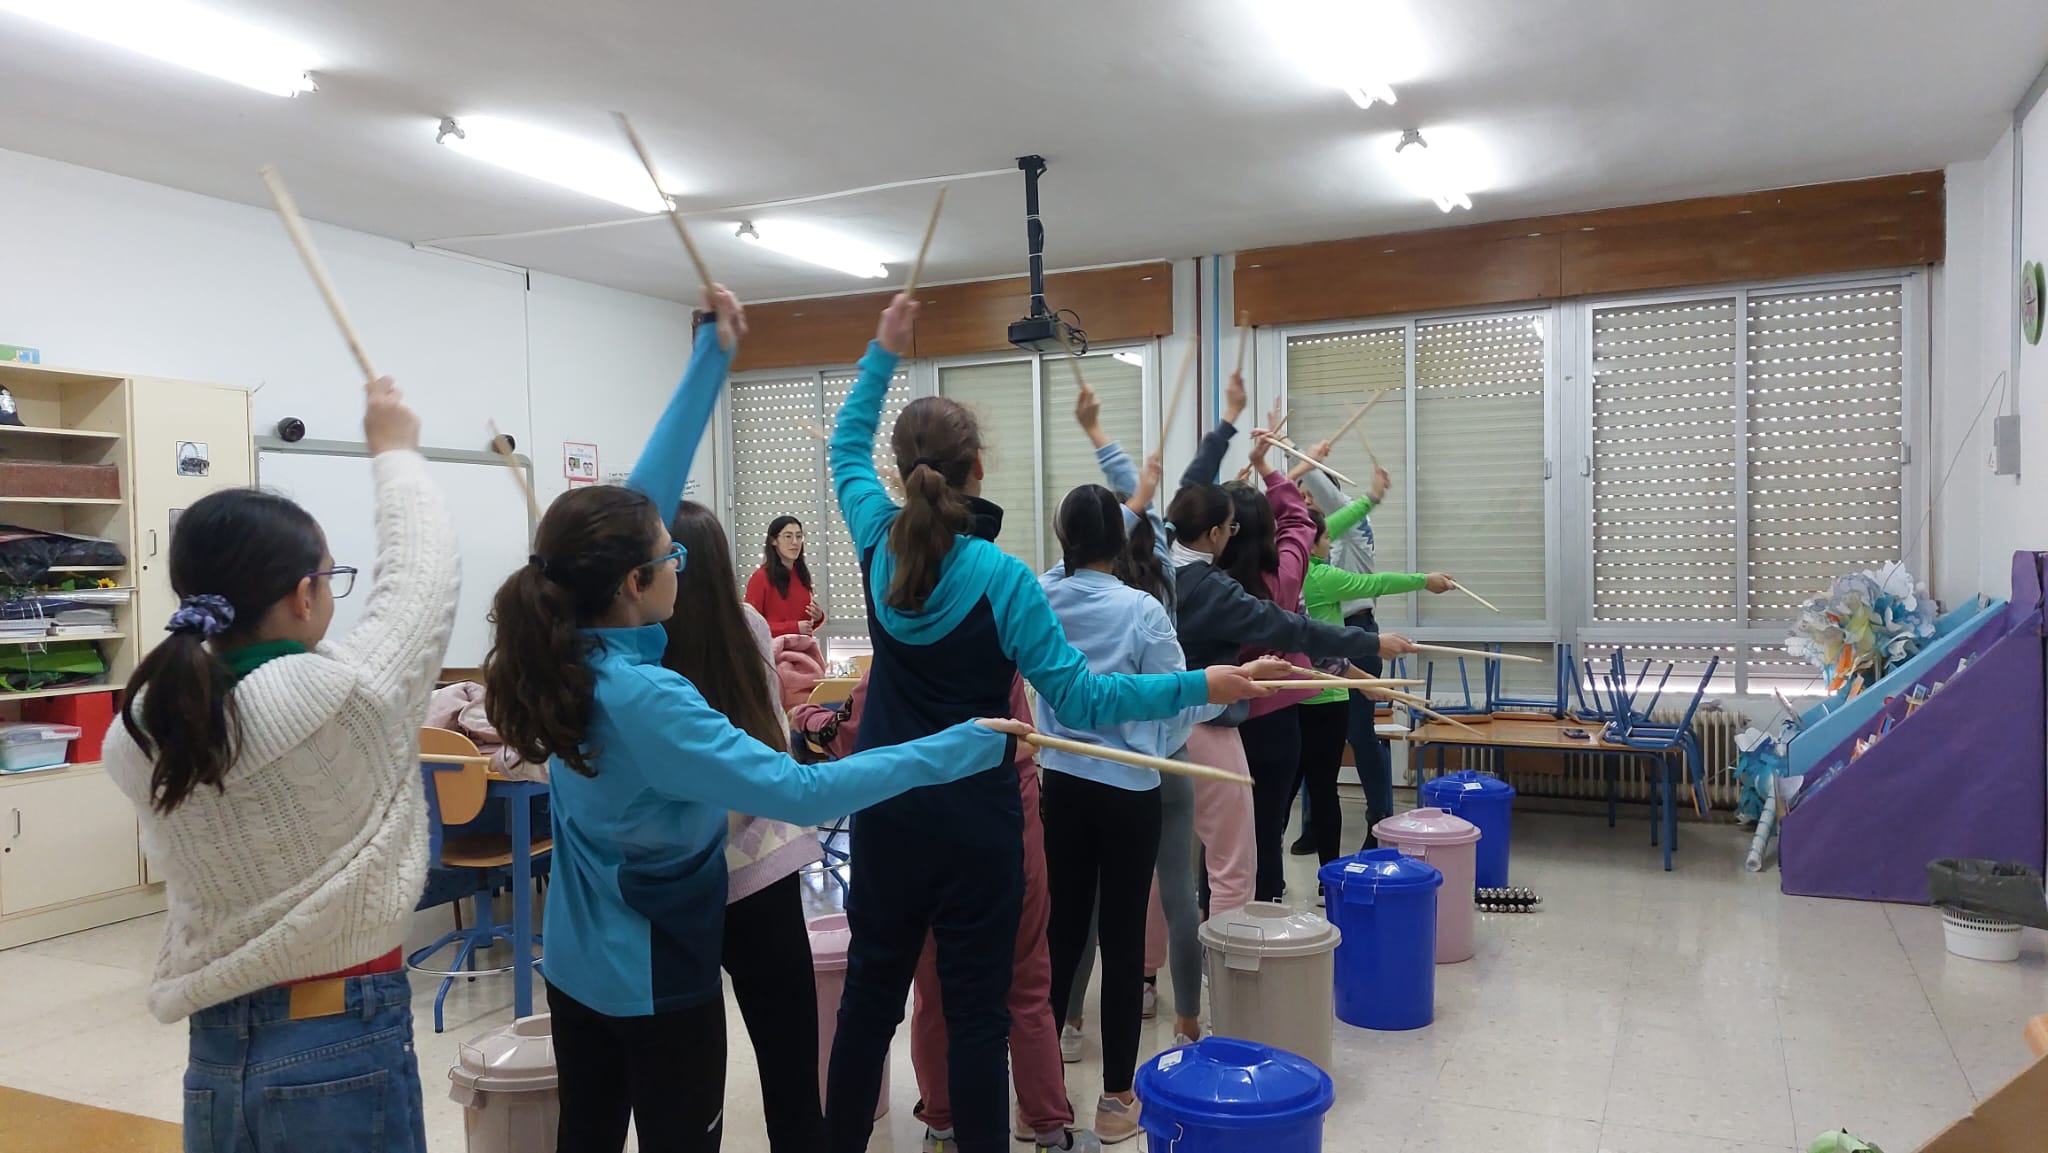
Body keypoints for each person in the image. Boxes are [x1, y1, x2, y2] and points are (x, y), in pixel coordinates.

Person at [483, 287, 1030, 1153]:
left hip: (578, 963)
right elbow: (800, 790)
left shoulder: (564, 642)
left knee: (585, 1134)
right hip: (654, 972)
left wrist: (713, 357)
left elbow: (640, 507)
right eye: (668, 556)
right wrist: (948, 748)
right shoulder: (646, 699)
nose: (682, 555)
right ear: (633, 583)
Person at [822, 293, 1275, 1153]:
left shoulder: (876, 540)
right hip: (977, 825)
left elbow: (848, 445)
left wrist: (882, 352)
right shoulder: (1002, 577)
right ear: (978, 470)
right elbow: (1090, 699)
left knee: (869, 1006)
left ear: (904, 469)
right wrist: (1199, 681)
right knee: (982, 1013)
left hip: (884, 810)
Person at [104, 374, 461, 1153]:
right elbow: (423, 582)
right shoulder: (344, 696)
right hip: (341, 1030)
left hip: (215, 1050)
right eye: (330, 578)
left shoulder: (143, 723)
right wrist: (395, 450)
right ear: (304, 594)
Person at [1038, 480, 1265, 1142]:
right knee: (1120, 935)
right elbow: (1175, 706)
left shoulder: (1042, 595)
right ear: (1120, 542)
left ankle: (1042, 1095)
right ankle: (1114, 1104)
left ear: (1064, 541)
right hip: (1130, 790)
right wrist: (1181, 721)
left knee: (1063, 930)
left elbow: (1055, 573)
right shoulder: (1141, 610)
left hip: (1063, 786)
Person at [793, 672, 1096, 1153]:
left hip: (921, 825)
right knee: (1024, 986)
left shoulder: (902, 654)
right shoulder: (1002, 646)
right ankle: (1049, 1129)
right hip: (1006, 822)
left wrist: (806, 716)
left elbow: (847, 736)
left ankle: (942, 1123)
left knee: (933, 990)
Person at [1167, 372, 1413, 916]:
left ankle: (1187, 948)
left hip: (1180, 719)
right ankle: (1253, 925)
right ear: (1220, 532)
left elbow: (1195, 497)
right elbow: (1301, 530)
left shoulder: (1173, 567)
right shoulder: (1269, 581)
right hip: (1248, 719)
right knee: (1253, 837)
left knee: (1211, 842)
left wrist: (1252, 454)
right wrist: (1272, 470)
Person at [662, 500, 827, 1153]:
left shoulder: (642, 648)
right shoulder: (748, 625)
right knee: (791, 1076)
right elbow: (769, 742)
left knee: (692, 1088)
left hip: (685, 877)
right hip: (762, 863)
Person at [1063, 382, 1206, 1050]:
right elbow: (1177, 690)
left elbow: (1117, 507)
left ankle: (1068, 1024)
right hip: (1156, 765)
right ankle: (1187, 1023)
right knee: (1177, 895)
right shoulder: (1160, 583)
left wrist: (1104, 444)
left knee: (1083, 914)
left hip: (1071, 772)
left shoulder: (1048, 591)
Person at [1290, 462, 1454, 866]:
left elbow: (1340, 514)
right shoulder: (1299, 554)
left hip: (1357, 636)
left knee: (1359, 736)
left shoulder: (1352, 534)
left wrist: (1306, 460)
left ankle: (1379, 818)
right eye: (1301, 496)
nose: (1306, 501)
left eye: (1311, 494)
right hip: (1315, 643)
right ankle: (1313, 823)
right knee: (1315, 736)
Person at [746, 515, 825, 636]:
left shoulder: (801, 574)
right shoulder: (760, 577)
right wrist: (794, 627)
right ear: (773, 540)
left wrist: (818, 617)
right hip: (773, 651)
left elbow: (804, 626)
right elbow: (752, 626)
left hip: (801, 648)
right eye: (788, 536)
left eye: (799, 536)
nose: (795, 542)